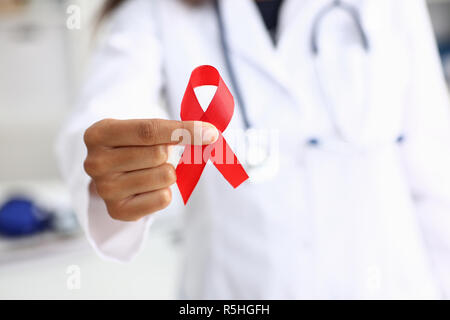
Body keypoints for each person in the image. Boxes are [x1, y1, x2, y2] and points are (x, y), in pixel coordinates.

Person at [57, 0, 450, 299]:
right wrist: (114, 165)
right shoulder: (156, 11)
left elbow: (435, 172)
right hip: (236, 290)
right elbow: (106, 112)